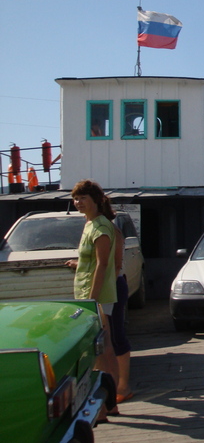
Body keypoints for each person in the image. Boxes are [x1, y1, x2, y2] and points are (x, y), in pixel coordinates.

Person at [65, 179, 120, 418]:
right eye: (75, 199)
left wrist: (92, 299)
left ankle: (107, 404)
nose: (78, 203)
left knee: (102, 350)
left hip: (96, 296)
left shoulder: (100, 226)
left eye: (83, 198)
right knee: (102, 348)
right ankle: (109, 404)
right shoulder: (89, 225)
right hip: (89, 293)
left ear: (96, 200)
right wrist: (79, 265)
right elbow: (94, 261)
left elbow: (104, 263)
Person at [109, 222, 133, 406]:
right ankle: (112, 384)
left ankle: (122, 386)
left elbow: (111, 265)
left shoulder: (110, 230)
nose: (78, 202)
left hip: (111, 286)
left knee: (116, 336)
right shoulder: (90, 226)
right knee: (104, 338)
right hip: (103, 288)